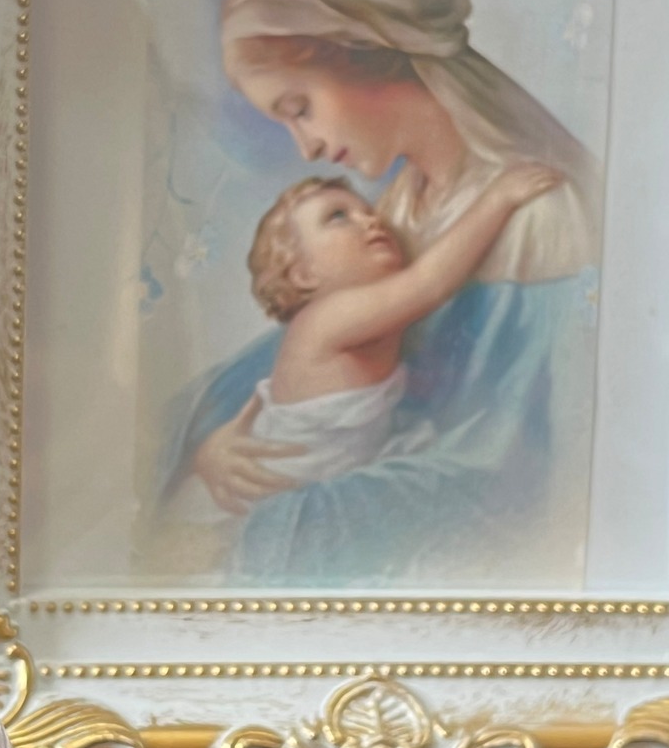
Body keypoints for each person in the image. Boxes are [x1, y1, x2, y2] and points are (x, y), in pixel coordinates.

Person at [153, 0, 602, 587]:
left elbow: (514, 464)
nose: (306, 146)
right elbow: (284, 361)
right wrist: (210, 445)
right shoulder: (398, 209)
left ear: (364, 48)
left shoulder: (542, 211)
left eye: (299, 107)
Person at [233, 166, 561, 500]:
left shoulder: (366, 313)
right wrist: (498, 198)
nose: (371, 220)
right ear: (303, 274)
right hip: (285, 489)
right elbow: (430, 283)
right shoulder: (325, 318)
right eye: (338, 217)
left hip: (336, 470)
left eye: (368, 211)